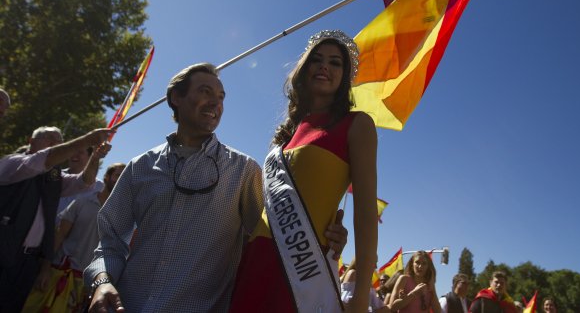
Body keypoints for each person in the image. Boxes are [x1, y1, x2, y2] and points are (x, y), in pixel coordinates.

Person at [84, 62, 348, 313]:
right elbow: (110, 243)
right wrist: (102, 282)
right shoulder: (139, 167)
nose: (216, 103)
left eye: (221, 97)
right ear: (177, 97)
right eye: (205, 91)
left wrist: (324, 239)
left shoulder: (244, 170)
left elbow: (271, 243)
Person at [229, 30, 378, 313]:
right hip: (255, 260)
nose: (325, 66)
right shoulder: (285, 135)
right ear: (304, 68)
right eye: (317, 59)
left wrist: (361, 295)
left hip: (301, 274)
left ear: (345, 76)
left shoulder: (357, 125)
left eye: (336, 63)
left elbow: (366, 214)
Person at [0, 126, 112, 312]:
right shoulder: (13, 163)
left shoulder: (53, 178)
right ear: (31, 141)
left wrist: (95, 157)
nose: (55, 144)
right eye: (49, 138)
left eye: (59, 141)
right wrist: (86, 140)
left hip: (29, 262)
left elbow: (84, 182)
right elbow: (40, 161)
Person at [56, 146, 106, 219]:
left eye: (80, 152)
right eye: (72, 151)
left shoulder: (100, 187)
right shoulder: (55, 177)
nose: (74, 154)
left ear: (90, 157)